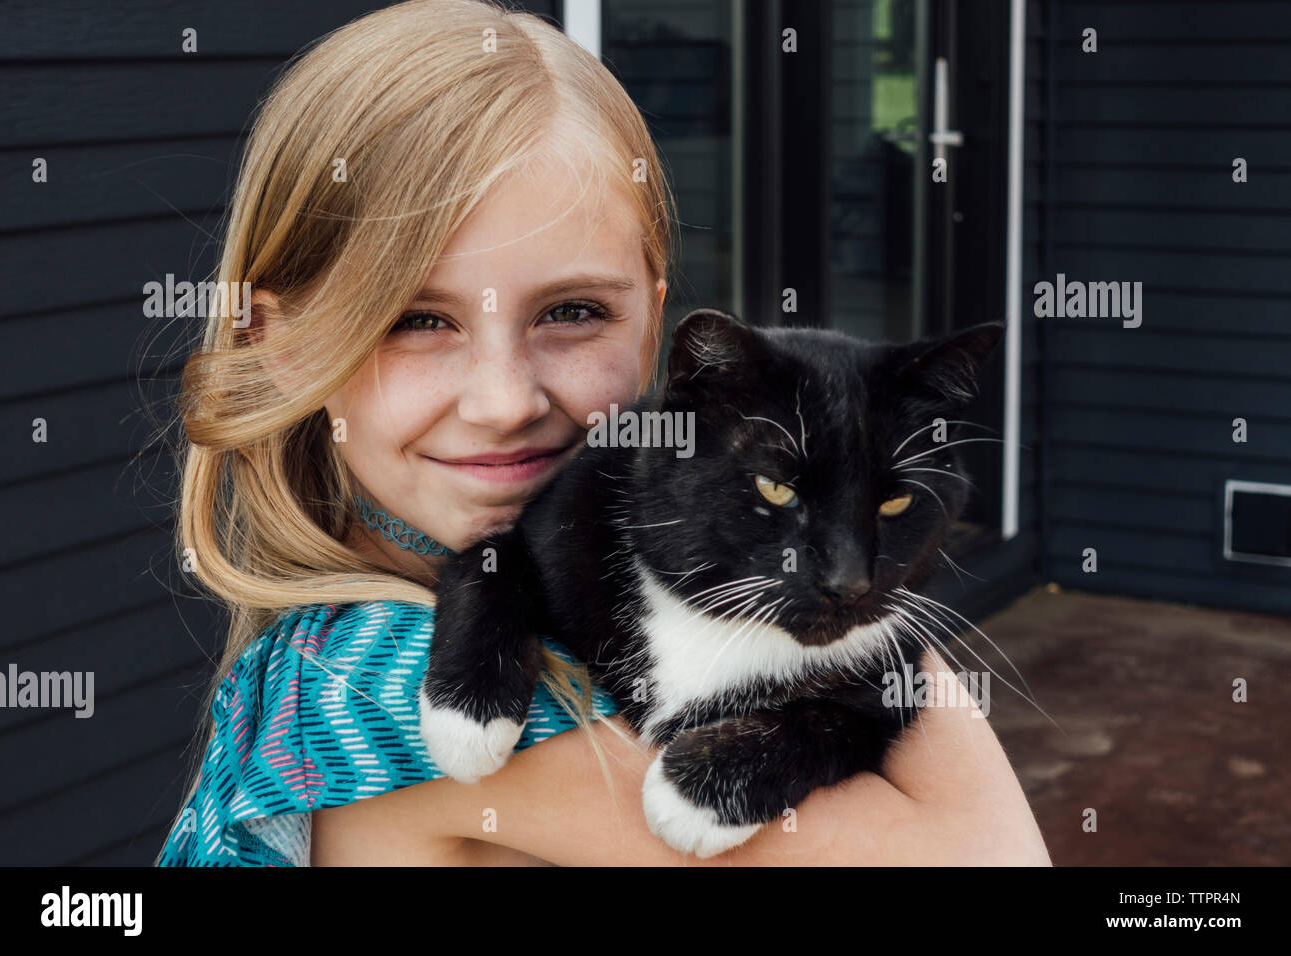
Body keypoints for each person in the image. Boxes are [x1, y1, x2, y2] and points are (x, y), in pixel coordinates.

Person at [156, 0, 1050, 866]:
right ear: (276, 345)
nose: (504, 402)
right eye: (414, 320)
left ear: (655, 327)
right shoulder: (378, 683)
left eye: (574, 311)